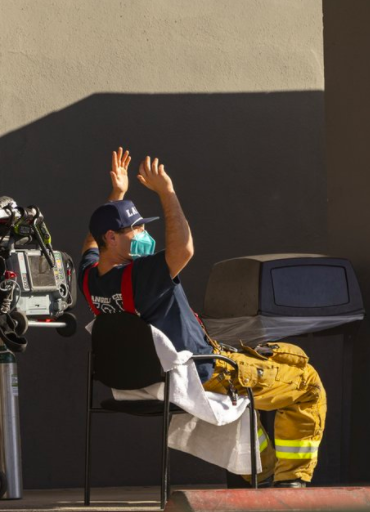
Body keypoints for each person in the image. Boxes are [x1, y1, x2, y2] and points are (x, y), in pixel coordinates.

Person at [80, 148, 326, 488]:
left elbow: (90, 242)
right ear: (113, 237)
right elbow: (184, 249)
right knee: (306, 381)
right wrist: (167, 191)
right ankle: (292, 483)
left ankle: (261, 469)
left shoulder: (89, 280)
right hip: (205, 371)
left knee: (275, 357)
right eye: (136, 229)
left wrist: (118, 195)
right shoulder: (143, 275)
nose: (143, 235)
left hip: (144, 380)